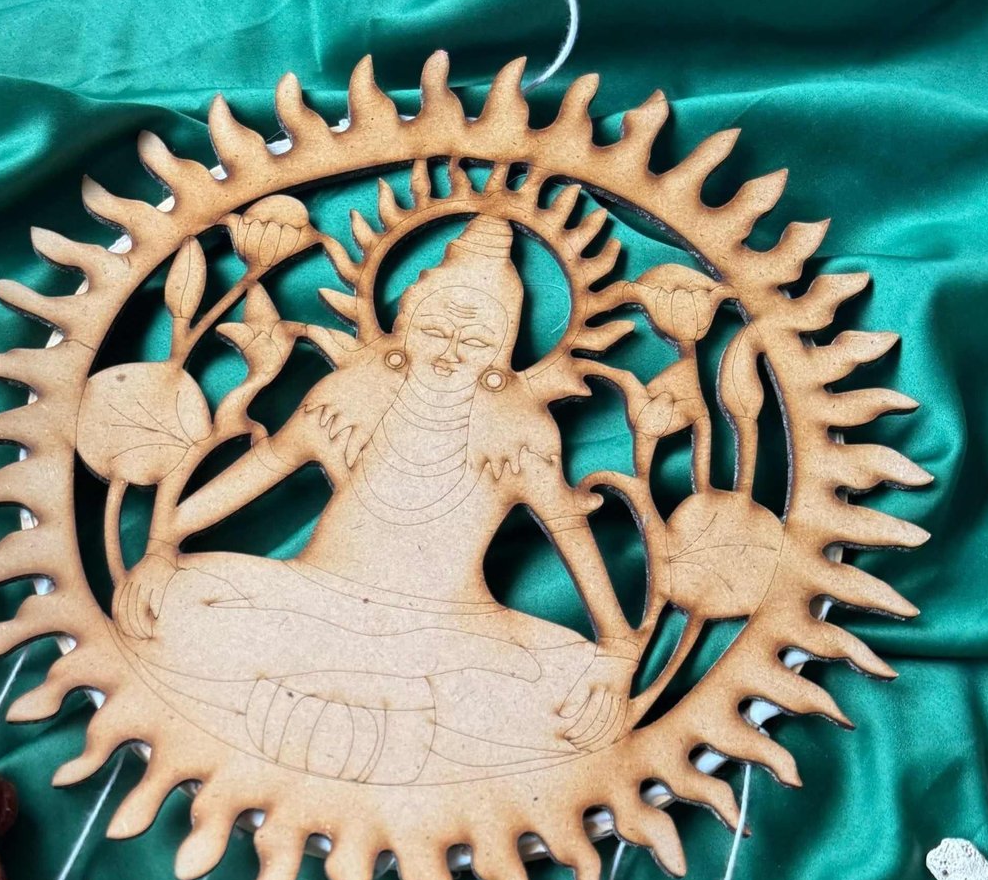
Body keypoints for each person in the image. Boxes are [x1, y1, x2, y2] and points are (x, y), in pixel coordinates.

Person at [113, 214, 639, 785]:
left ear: (502, 351)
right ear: (404, 323)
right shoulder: (348, 396)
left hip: (448, 626)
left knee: (570, 679)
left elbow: (569, 530)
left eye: (476, 341)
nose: (450, 353)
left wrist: (616, 649)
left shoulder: (521, 430)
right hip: (314, 597)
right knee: (180, 595)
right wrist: (163, 545)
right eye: (435, 331)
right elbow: (262, 467)